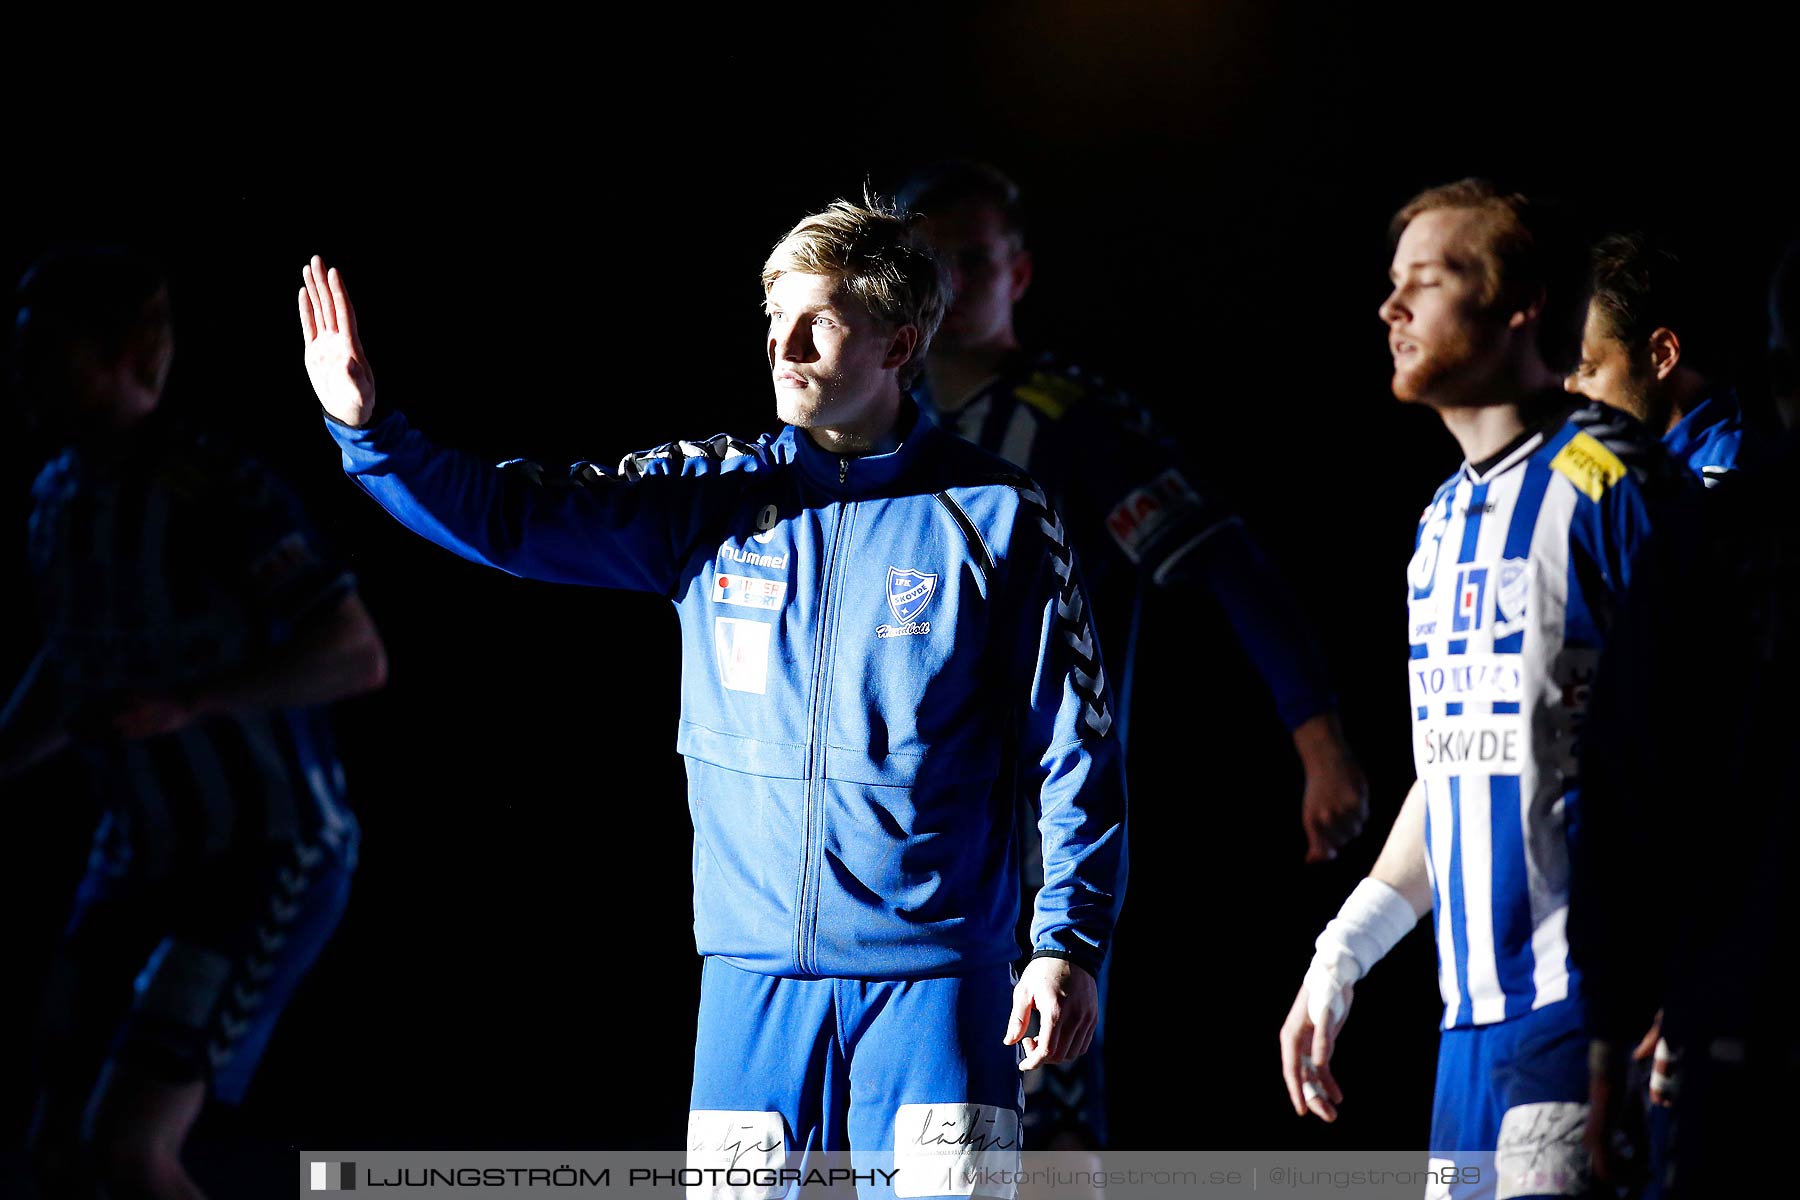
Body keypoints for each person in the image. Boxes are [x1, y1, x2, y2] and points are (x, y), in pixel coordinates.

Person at [295, 195, 1125, 1196]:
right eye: (774, 318)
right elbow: (514, 518)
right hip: (750, 991)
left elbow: (1074, 747)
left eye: (819, 321)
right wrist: (370, 431)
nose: (785, 344)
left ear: (900, 342)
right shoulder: (712, 494)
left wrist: (1066, 942)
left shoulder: (994, 513)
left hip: (938, 993)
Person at [898, 160, 1367, 1152]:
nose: (944, 281)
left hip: (1029, 829)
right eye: (920, 260)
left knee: (1034, 1104)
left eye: (969, 260)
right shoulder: (865, 433)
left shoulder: (1073, 423)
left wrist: (1317, 737)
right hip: (889, 830)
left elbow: (1226, 562)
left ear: (1016, 275)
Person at [1275, 181, 1684, 1198]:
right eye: (1389, 285)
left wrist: (1686, 986)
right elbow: (1458, 771)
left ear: (1521, 307)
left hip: (1589, 1020)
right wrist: (1342, 955)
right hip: (1468, 1031)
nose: (1392, 309)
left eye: (1429, 280)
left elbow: (1724, 752)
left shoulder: (1619, 488)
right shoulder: (1439, 526)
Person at [1, 248, 386, 1200]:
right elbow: (77, 668)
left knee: (128, 1151)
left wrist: (202, 699)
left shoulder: (210, 487)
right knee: (52, 1148)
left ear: (130, 357)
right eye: (23, 348)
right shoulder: (58, 498)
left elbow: (354, 652)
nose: (26, 371)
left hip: (262, 856)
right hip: (138, 853)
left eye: (51, 351)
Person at [1564, 230, 1761, 485]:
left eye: (1586, 369)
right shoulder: (1638, 461)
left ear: (1662, 354)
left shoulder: (1720, 480)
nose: (1569, 387)